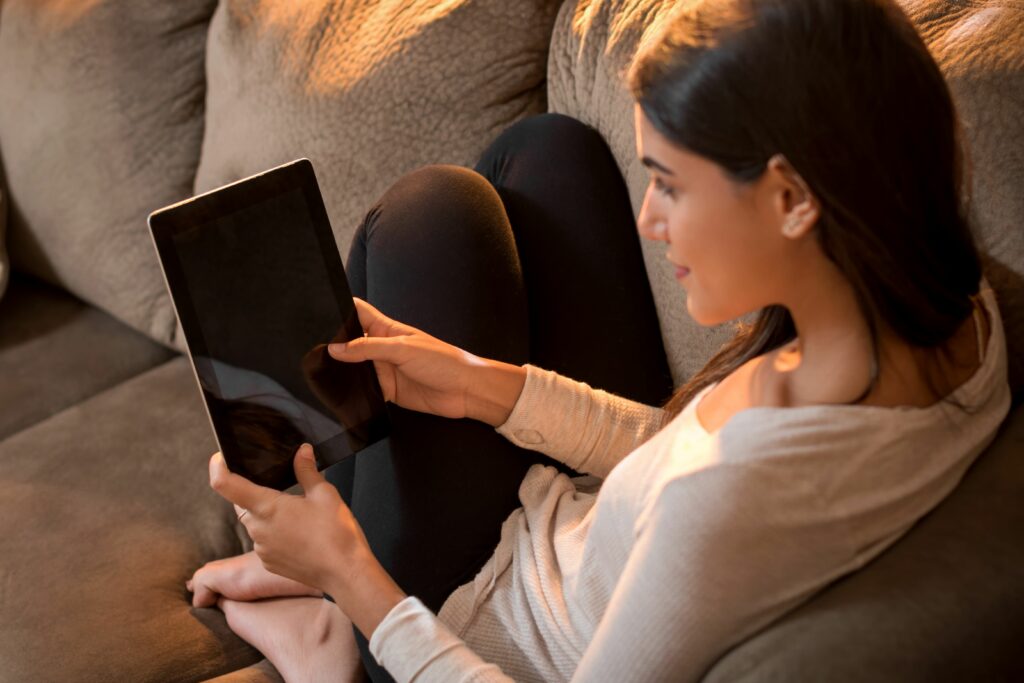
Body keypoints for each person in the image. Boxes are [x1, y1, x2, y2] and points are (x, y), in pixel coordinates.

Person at [186, 0, 1012, 681]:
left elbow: (698, 493)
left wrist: (349, 573)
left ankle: (334, 634)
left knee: (427, 216)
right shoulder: (957, 311)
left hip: (471, 615)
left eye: (671, 185)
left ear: (794, 198)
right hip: (583, 518)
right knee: (548, 153)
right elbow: (676, 451)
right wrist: (481, 384)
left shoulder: (725, 509)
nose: (649, 221)